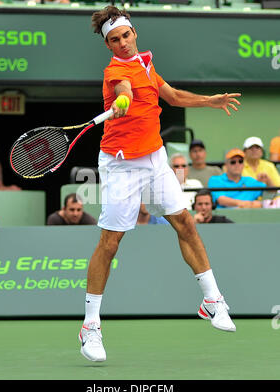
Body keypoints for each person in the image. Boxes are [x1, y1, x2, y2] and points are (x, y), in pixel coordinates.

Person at [79, 5, 241, 363]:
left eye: (125, 35)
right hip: (122, 165)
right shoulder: (116, 71)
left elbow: (170, 96)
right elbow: (123, 89)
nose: (122, 43)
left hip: (154, 158)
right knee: (110, 241)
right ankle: (90, 326)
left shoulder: (145, 64)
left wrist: (209, 102)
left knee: (184, 221)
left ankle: (212, 300)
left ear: (134, 33)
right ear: (108, 46)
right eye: (114, 40)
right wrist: (122, 99)